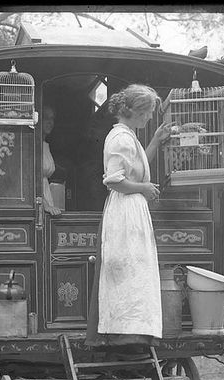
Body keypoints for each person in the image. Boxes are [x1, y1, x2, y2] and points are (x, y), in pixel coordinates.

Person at [86, 84, 173, 349]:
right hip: (124, 211)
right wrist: (144, 189)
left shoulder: (129, 137)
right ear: (135, 111)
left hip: (133, 209)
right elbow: (114, 181)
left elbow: (135, 168)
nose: (149, 118)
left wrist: (155, 141)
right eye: (148, 113)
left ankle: (133, 331)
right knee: (126, 268)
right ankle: (123, 332)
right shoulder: (120, 139)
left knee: (135, 270)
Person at [42, 105, 62, 216]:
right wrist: (45, 205)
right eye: (46, 118)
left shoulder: (45, 145)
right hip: (40, 202)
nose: (50, 122)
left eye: (52, 118)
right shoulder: (34, 146)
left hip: (46, 196)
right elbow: (32, 180)